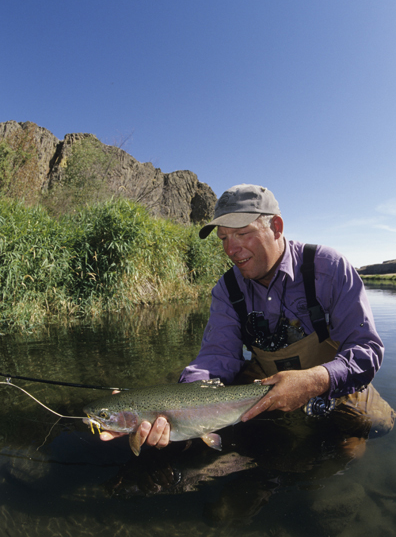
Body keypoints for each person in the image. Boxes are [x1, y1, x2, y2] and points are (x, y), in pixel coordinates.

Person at [101, 184, 395, 450]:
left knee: (378, 426)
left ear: (276, 227)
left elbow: (366, 349)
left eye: (242, 234)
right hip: (262, 380)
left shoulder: (329, 268)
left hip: (329, 375)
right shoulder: (227, 290)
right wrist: (153, 407)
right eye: (224, 238)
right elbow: (216, 357)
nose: (231, 249)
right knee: (212, 443)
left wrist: (315, 381)